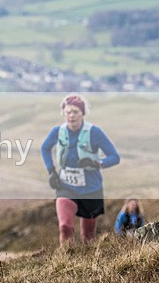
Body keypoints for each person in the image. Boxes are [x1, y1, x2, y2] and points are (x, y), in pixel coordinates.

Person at [41, 94, 120, 246]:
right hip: (65, 186)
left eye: (75, 112)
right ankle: (64, 262)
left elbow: (115, 157)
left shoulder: (94, 132)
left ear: (82, 113)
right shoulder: (57, 131)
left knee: (88, 236)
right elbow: (45, 148)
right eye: (68, 112)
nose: (71, 115)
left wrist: (96, 163)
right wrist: (51, 171)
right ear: (64, 114)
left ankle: (87, 265)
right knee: (65, 227)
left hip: (91, 188)